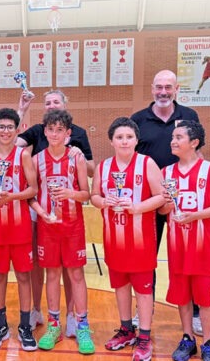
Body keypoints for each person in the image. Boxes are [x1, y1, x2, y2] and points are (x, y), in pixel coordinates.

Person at [16, 89, 94, 335]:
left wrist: (71, 193)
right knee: (51, 273)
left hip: (73, 226)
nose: (55, 133)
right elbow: (32, 194)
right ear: (45, 131)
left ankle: (80, 323)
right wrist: (42, 212)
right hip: (47, 224)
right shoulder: (36, 159)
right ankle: (53, 324)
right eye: (51, 130)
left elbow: (87, 194)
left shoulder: (76, 157)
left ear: (68, 133)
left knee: (76, 274)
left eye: (60, 130)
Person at [132, 69, 202, 334]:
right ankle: (145, 308)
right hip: (149, 199)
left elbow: (197, 152)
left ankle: (196, 310)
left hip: (182, 200)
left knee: (189, 256)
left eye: (168, 87)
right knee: (145, 258)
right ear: (152, 88)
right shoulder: (138, 119)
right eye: (159, 87)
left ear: (176, 89)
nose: (163, 92)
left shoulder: (189, 116)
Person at [90, 117, 164, 361]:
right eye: (119, 137)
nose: (124, 141)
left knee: (143, 290)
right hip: (114, 239)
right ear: (111, 141)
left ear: (136, 140)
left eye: (129, 137)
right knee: (120, 287)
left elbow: (161, 196)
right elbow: (94, 196)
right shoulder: (103, 167)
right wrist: (104, 201)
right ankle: (126, 330)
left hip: (141, 241)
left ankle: (144, 336)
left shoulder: (147, 163)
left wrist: (137, 207)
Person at [157, 120, 210, 361]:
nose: (173, 141)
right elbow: (162, 210)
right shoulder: (166, 172)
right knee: (182, 294)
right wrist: (167, 205)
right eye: (173, 137)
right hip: (177, 244)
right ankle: (187, 338)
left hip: (204, 244)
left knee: (205, 296)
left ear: (194, 142)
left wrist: (196, 215)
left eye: (178, 137)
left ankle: (208, 342)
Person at [0, 108, 38, 351]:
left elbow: (33, 189)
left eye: (10, 127)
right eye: (1, 127)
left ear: (18, 130)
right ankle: (0, 324)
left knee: (23, 276)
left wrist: (12, 196)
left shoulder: (24, 155)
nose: (5, 131)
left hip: (20, 225)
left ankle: (24, 325)